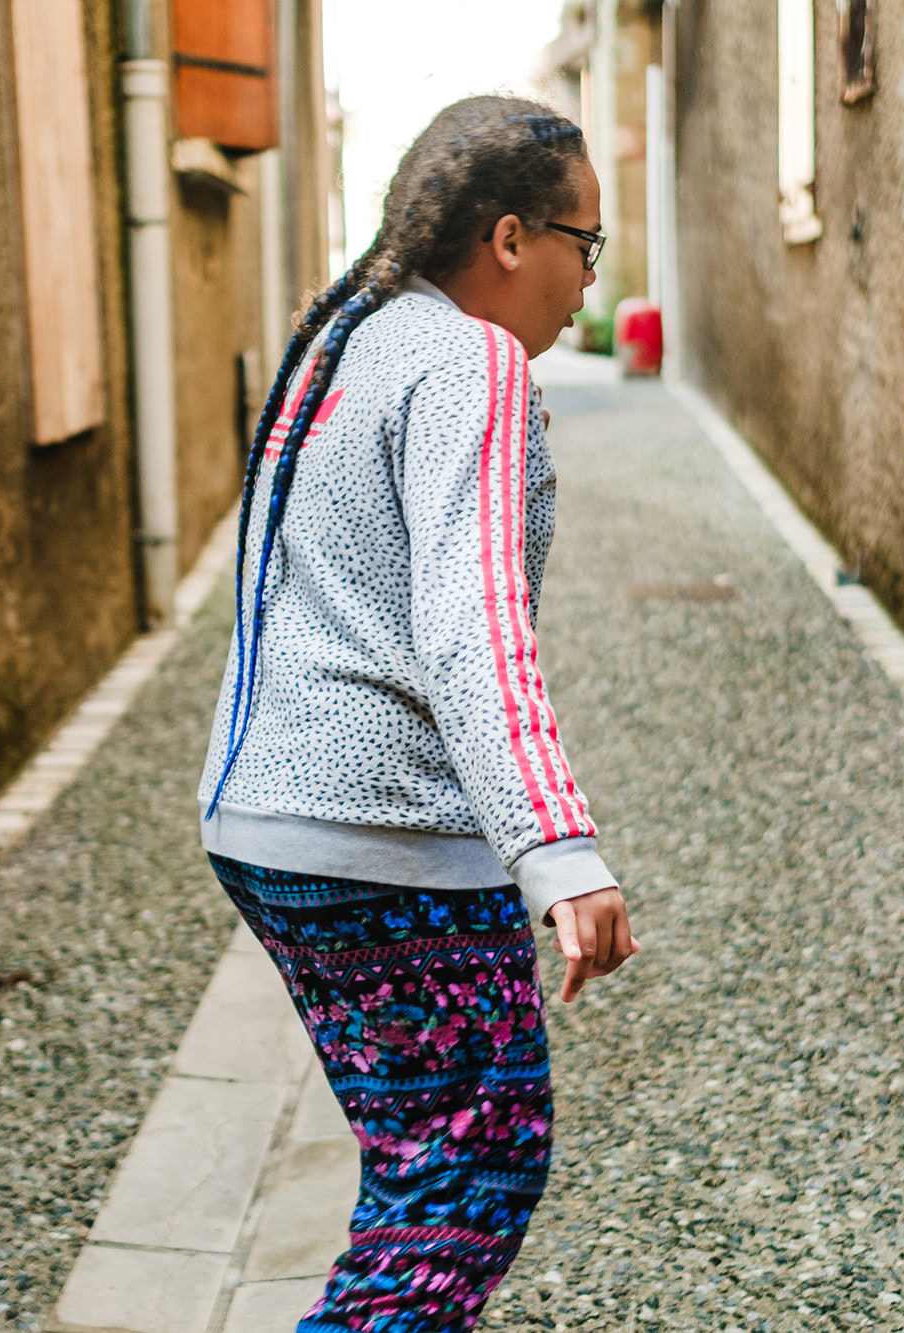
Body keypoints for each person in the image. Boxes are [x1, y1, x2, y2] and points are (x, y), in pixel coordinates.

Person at [196, 96, 639, 1331]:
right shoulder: (471, 360)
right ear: (509, 237)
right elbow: (471, 618)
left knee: (417, 1165)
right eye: (582, 244)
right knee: (468, 1173)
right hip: (381, 830)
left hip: (265, 820)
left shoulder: (348, 335)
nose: (583, 280)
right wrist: (558, 847)